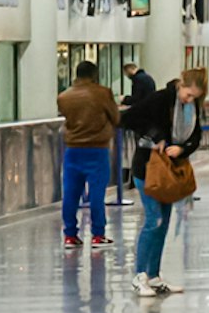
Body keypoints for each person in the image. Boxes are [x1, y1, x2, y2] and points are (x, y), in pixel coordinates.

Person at [130, 69, 200, 297]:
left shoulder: (191, 109)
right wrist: (157, 136)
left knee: (164, 221)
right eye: (188, 95)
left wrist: (182, 148)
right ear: (181, 85)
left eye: (194, 97)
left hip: (170, 170)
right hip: (147, 167)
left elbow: (195, 137)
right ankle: (139, 275)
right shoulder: (159, 99)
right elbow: (130, 118)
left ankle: (154, 275)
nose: (189, 100)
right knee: (154, 219)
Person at [55, 62, 116, 251]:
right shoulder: (103, 93)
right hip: (97, 149)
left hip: (73, 150)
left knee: (71, 194)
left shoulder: (64, 97)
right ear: (94, 74)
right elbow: (115, 117)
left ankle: (70, 235)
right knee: (97, 194)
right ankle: (98, 235)